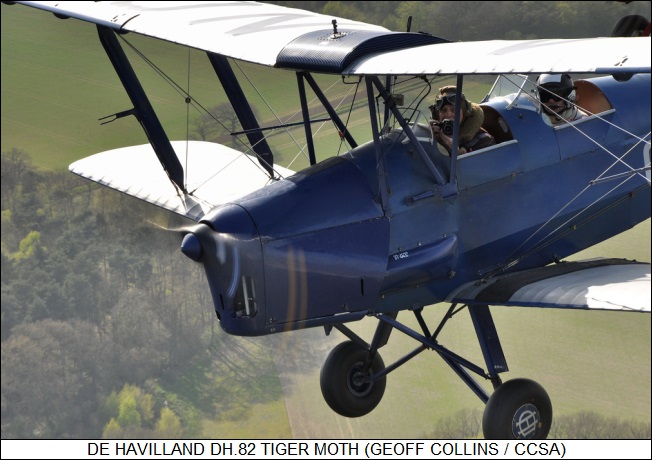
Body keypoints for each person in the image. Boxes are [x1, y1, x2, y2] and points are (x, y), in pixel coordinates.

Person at [429, 86, 495, 155]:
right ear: (437, 115)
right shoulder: (434, 136)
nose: (448, 114)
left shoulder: (484, 141)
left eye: (454, 110)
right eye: (443, 110)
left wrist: (455, 151)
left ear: (464, 113)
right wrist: (431, 137)